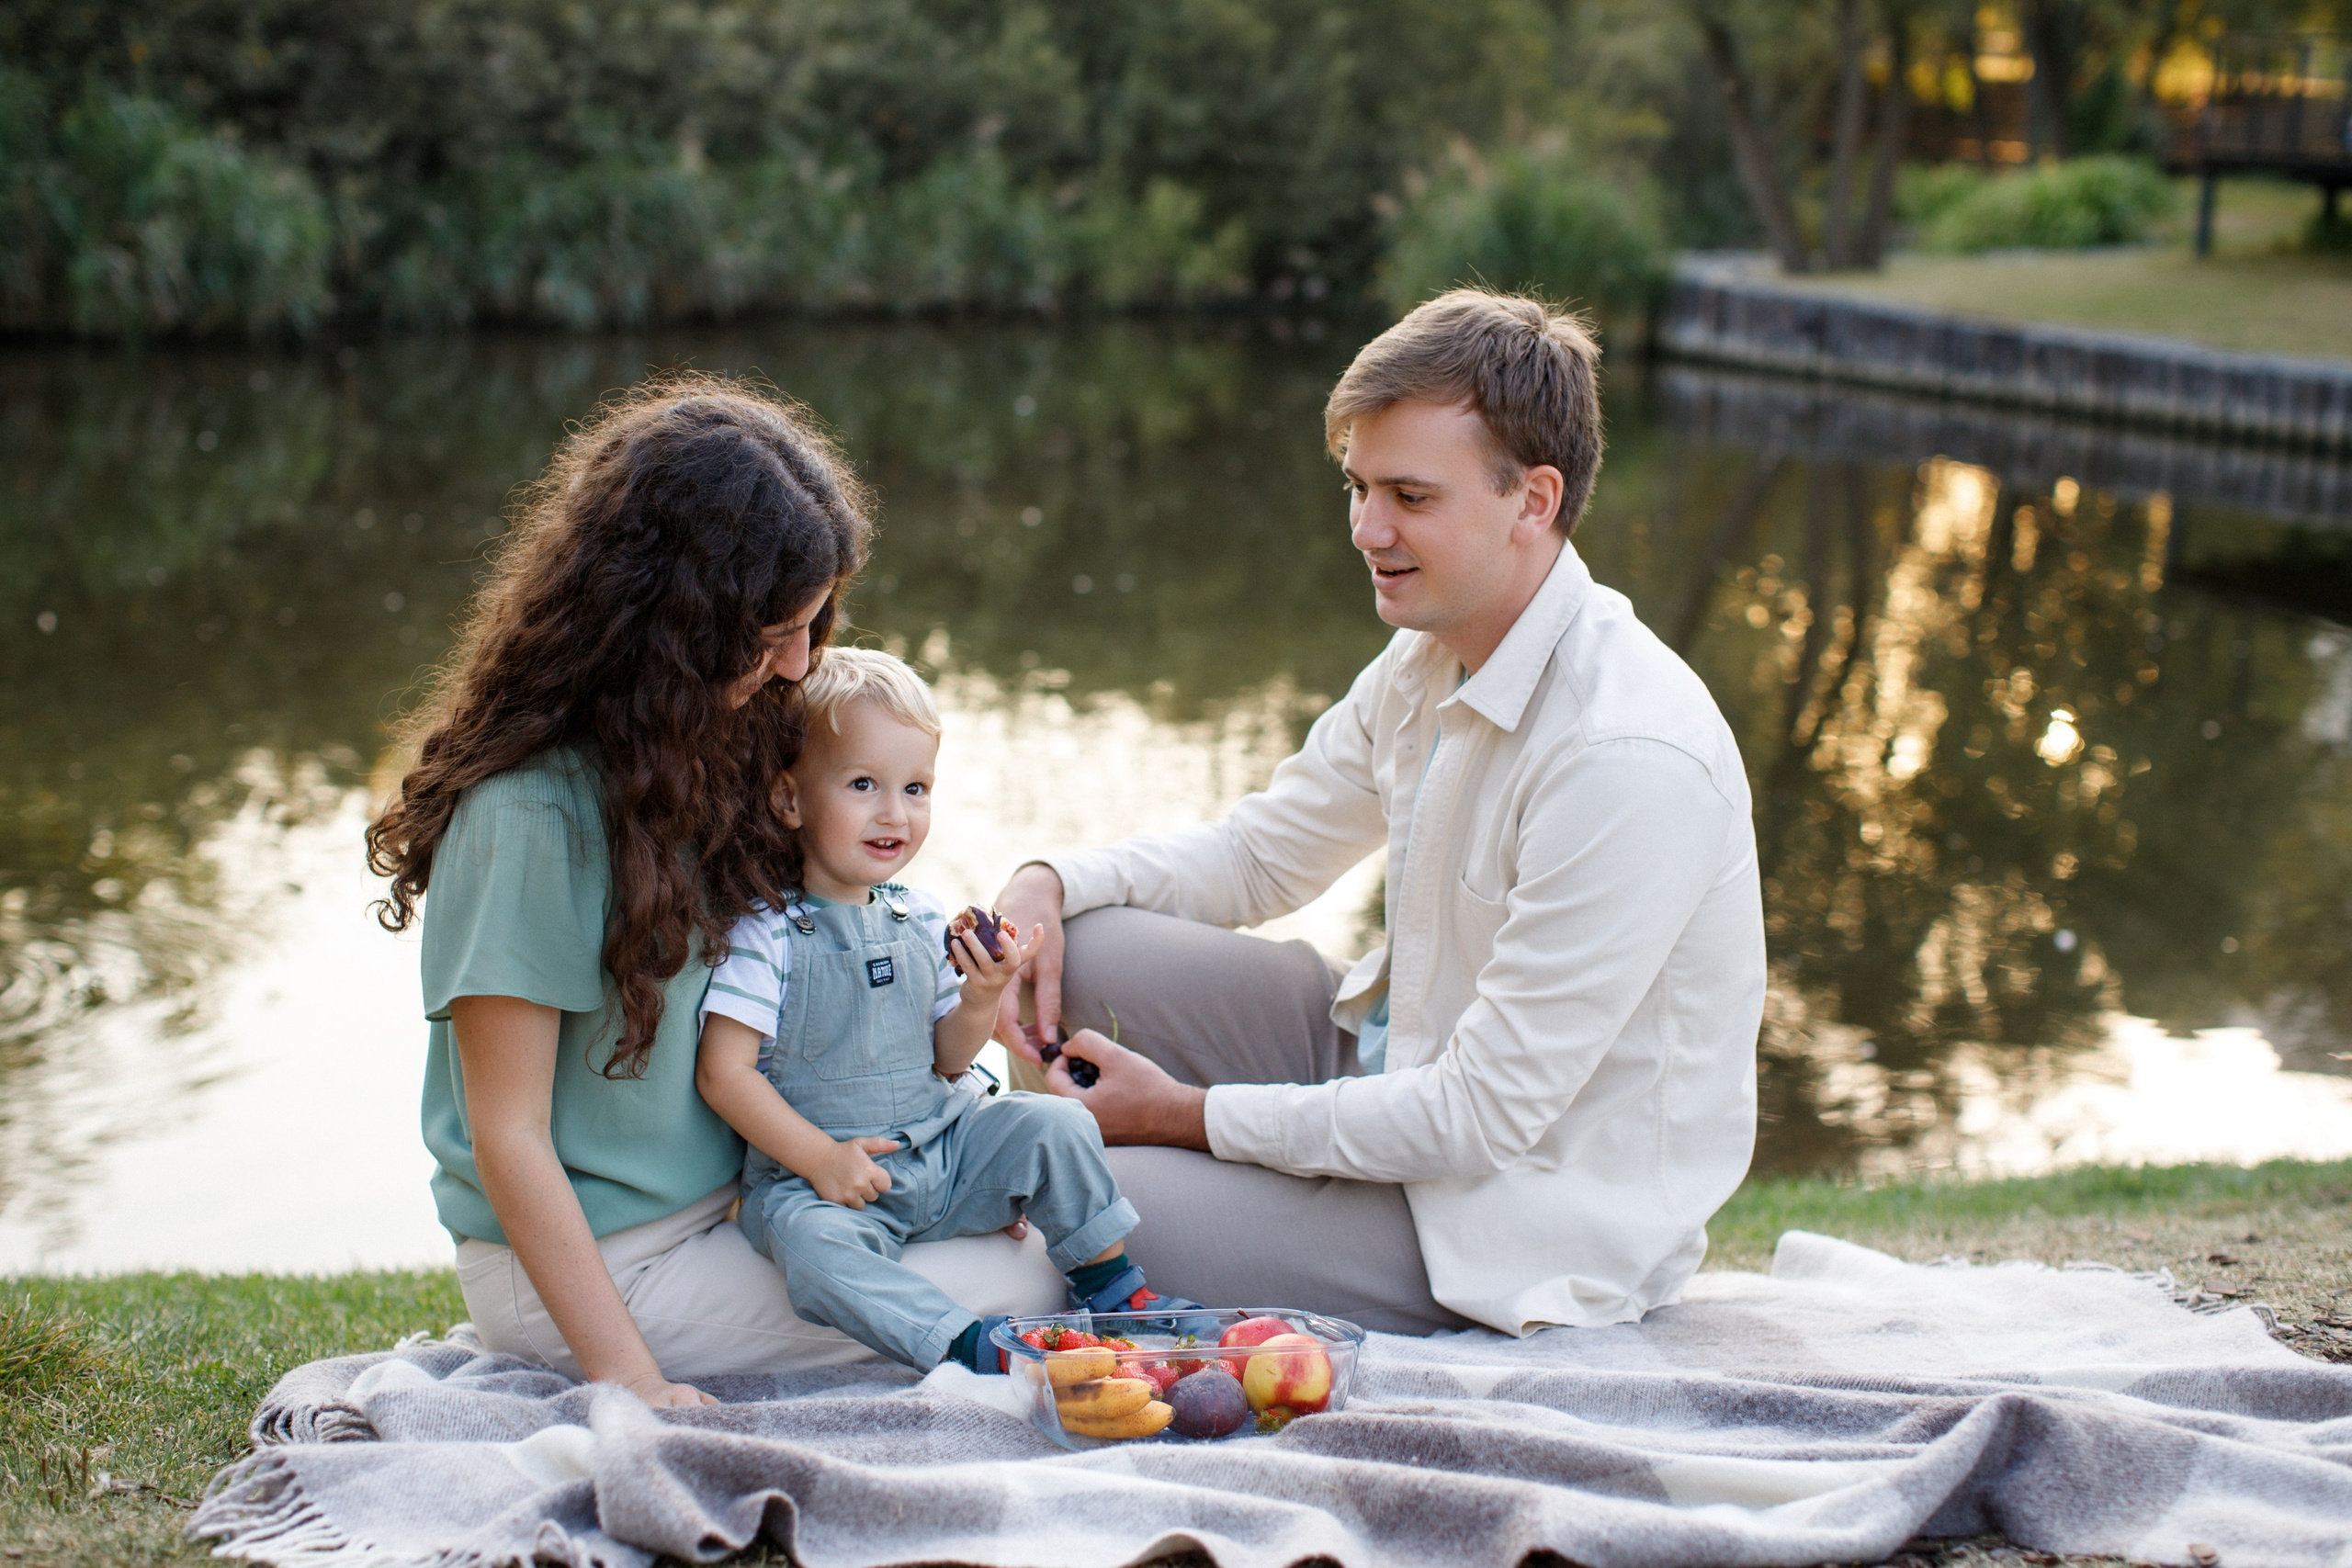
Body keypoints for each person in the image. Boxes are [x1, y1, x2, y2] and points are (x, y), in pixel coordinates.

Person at [991, 289, 1768, 1337]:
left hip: (1505, 1212)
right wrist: (1050, 881)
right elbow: (1258, 858)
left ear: (1533, 500)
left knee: (1088, 1206)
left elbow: (1482, 1114)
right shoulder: (1429, 652)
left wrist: (1185, 1120)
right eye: (1358, 487)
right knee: (1073, 951)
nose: (1367, 529)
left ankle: (1062, 1220)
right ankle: (1042, 1190)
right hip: (1386, 1059)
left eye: (1409, 495)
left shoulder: (1625, 757)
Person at [366, 378, 1060, 1408]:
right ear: (669, 622)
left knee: (1025, 1243)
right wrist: (634, 1381)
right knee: (1024, 1286)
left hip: (737, 1209)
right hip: (596, 1264)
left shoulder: (707, 752)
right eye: (771, 632)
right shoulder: (527, 816)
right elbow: (508, 1138)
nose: (798, 663)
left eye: (813, 623)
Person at [695, 649, 1204, 1373]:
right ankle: (969, 1343)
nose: (894, 812)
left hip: (945, 1151)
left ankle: (1115, 1290)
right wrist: (818, 1158)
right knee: (811, 1249)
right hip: (828, 1182)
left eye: (916, 787)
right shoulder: (766, 932)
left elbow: (949, 1057)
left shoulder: (923, 916)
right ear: (790, 800)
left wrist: (982, 994)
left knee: (1055, 1123)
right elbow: (724, 1073)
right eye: (863, 784)